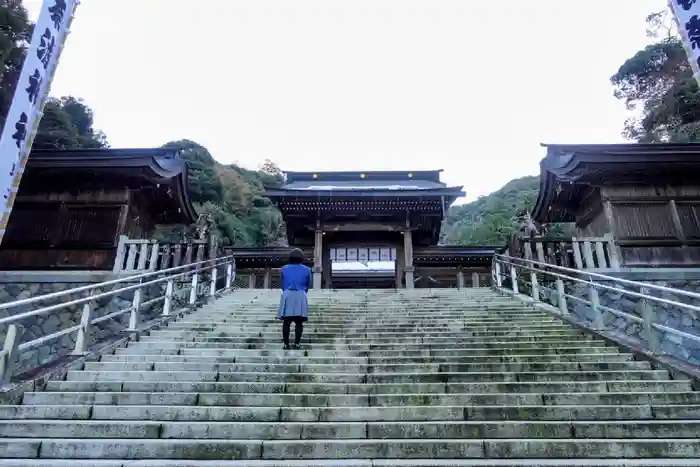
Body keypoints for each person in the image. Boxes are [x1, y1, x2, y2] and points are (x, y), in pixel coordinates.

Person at [277, 248, 311, 349]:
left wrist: (287, 291)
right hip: (301, 294)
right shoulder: (307, 269)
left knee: (286, 321)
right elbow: (309, 284)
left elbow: (282, 284)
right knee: (299, 322)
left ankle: (286, 343)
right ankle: (297, 343)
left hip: (287, 294)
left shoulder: (284, 269)